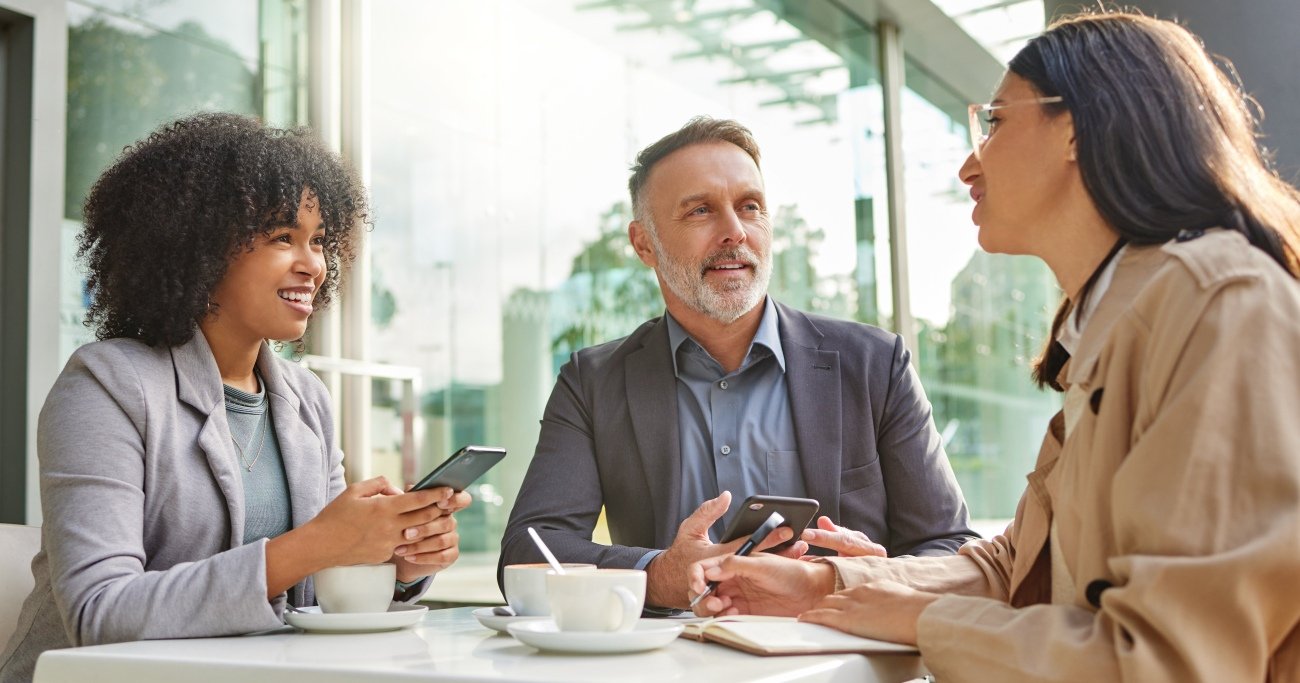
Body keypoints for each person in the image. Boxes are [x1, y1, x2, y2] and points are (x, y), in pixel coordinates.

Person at [688, 11, 1300, 681]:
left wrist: (923, 621)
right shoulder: (1118, 321)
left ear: (1076, 128)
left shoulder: (1218, 305)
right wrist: (828, 585)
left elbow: (1166, 661)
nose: (967, 163)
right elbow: (1016, 564)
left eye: (996, 123)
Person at [0, 113, 469, 683]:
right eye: (282, 237)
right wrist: (317, 543)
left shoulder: (305, 399)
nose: (313, 265)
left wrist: (395, 563)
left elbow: (314, 596)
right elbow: (101, 615)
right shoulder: (107, 385)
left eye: (319, 241)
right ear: (198, 246)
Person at [501, 117, 976, 611]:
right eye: (701, 211)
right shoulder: (593, 382)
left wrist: (853, 577)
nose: (734, 232)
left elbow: (953, 550)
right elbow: (529, 551)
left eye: (750, 207)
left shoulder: (877, 364)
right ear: (644, 244)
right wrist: (661, 574)